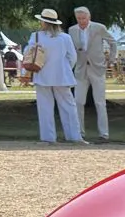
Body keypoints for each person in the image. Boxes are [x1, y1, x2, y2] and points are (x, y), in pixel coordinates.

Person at [27, 8, 84, 145]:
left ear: (43, 22)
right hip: (62, 76)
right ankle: (74, 136)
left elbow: (28, 54)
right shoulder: (65, 38)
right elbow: (72, 57)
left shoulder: (36, 36)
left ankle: (48, 138)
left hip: (42, 74)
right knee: (68, 107)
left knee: (45, 108)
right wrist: (65, 68)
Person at [68, 7, 118, 141]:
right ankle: (79, 133)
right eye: (79, 19)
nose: (81, 21)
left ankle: (104, 134)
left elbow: (113, 43)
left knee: (100, 102)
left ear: (88, 17)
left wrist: (111, 60)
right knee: (78, 101)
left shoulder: (99, 28)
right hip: (80, 69)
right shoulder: (72, 30)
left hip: (97, 68)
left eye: (83, 18)